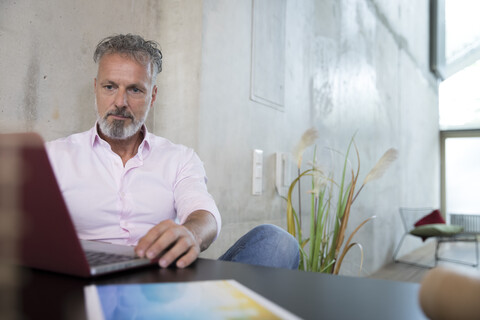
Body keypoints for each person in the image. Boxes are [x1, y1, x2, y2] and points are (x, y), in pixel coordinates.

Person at [46, 33, 299, 270]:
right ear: (95, 88)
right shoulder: (54, 157)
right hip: (86, 282)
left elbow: (204, 213)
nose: (120, 102)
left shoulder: (180, 158)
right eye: (110, 86)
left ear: (152, 96)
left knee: (277, 242)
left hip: (164, 283)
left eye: (135, 89)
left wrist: (191, 234)